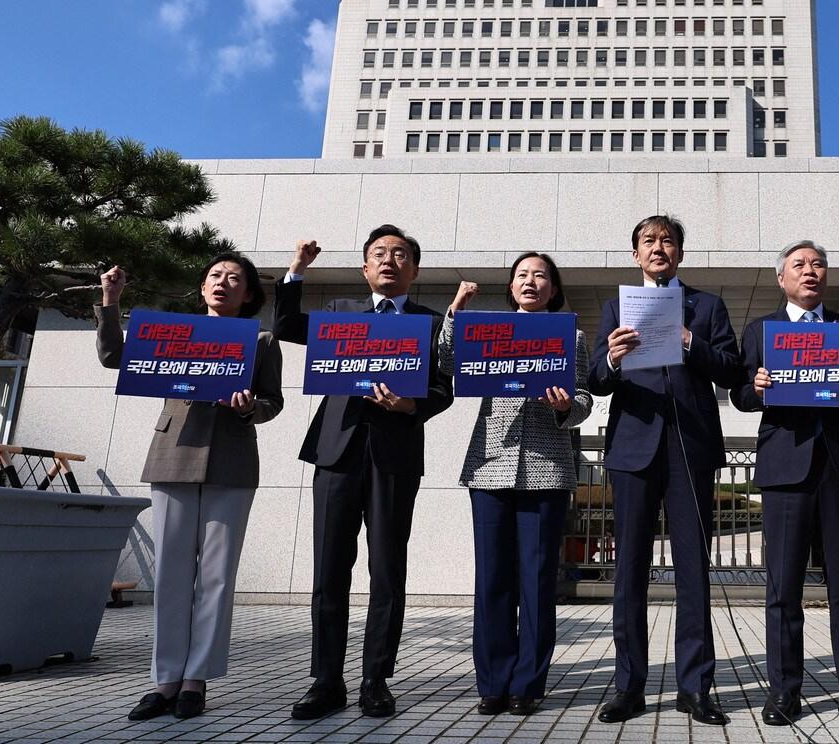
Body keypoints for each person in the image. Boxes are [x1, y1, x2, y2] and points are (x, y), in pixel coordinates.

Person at [274, 225, 454, 720]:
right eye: (379, 254)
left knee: (387, 571)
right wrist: (297, 270)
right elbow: (287, 324)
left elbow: (445, 390)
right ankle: (326, 680)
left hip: (394, 457)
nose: (389, 261)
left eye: (400, 255)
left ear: (414, 270)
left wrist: (410, 404)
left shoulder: (430, 322)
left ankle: (376, 678)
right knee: (329, 571)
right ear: (365, 269)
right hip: (336, 452)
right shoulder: (339, 314)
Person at [96, 254, 283, 722]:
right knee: (173, 574)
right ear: (202, 289)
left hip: (232, 460)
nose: (223, 283)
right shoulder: (172, 333)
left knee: (216, 577)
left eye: (234, 279)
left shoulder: (262, 341)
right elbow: (113, 357)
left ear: (249, 295)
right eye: (215, 276)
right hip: (173, 453)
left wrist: (248, 408)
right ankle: (164, 681)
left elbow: (272, 402)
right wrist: (111, 301)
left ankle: (196, 680)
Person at [731, 240, 839, 727]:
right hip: (786, 466)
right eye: (799, 265)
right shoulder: (762, 330)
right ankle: (785, 691)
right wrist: (755, 388)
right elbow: (740, 394)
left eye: (818, 264)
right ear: (781, 278)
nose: (810, 272)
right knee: (783, 587)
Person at [588, 215, 744, 726]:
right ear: (635, 255)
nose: (659, 248)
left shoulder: (708, 305)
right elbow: (595, 379)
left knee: (693, 571)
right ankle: (628, 687)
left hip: (690, 447)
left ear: (680, 253)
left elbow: (730, 369)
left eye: (668, 241)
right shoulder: (617, 306)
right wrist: (610, 360)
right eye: (649, 242)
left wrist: (689, 342)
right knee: (629, 569)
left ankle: (696, 687)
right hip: (634, 446)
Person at [438, 252, 592, 717]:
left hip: (547, 468)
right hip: (490, 467)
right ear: (511, 288)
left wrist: (566, 407)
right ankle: (493, 683)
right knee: (492, 581)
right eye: (522, 275)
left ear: (553, 288)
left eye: (540, 275)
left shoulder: (573, 337)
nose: (530, 281)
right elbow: (446, 361)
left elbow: (584, 398)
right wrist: (455, 311)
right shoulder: (488, 333)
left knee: (539, 582)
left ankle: (529, 683)